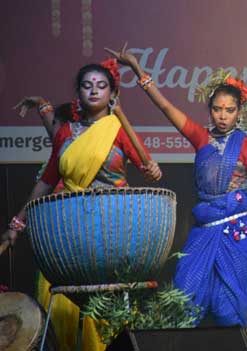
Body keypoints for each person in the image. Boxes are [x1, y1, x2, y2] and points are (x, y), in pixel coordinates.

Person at [107, 44, 247, 327]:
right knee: (185, 293)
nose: (222, 115)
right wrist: (136, 67)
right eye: (217, 109)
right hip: (204, 230)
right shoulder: (200, 138)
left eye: (229, 110)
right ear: (209, 110)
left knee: (228, 306)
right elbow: (165, 107)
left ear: (239, 113)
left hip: (239, 230)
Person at [2, 58, 163, 351]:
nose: (94, 91)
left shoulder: (118, 129)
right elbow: (47, 180)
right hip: (73, 232)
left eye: (101, 86)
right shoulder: (65, 133)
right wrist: (18, 222)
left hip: (116, 229)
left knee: (112, 308)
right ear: (78, 92)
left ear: (112, 94)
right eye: (87, 85)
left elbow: (147, 167)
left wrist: (153, 171)